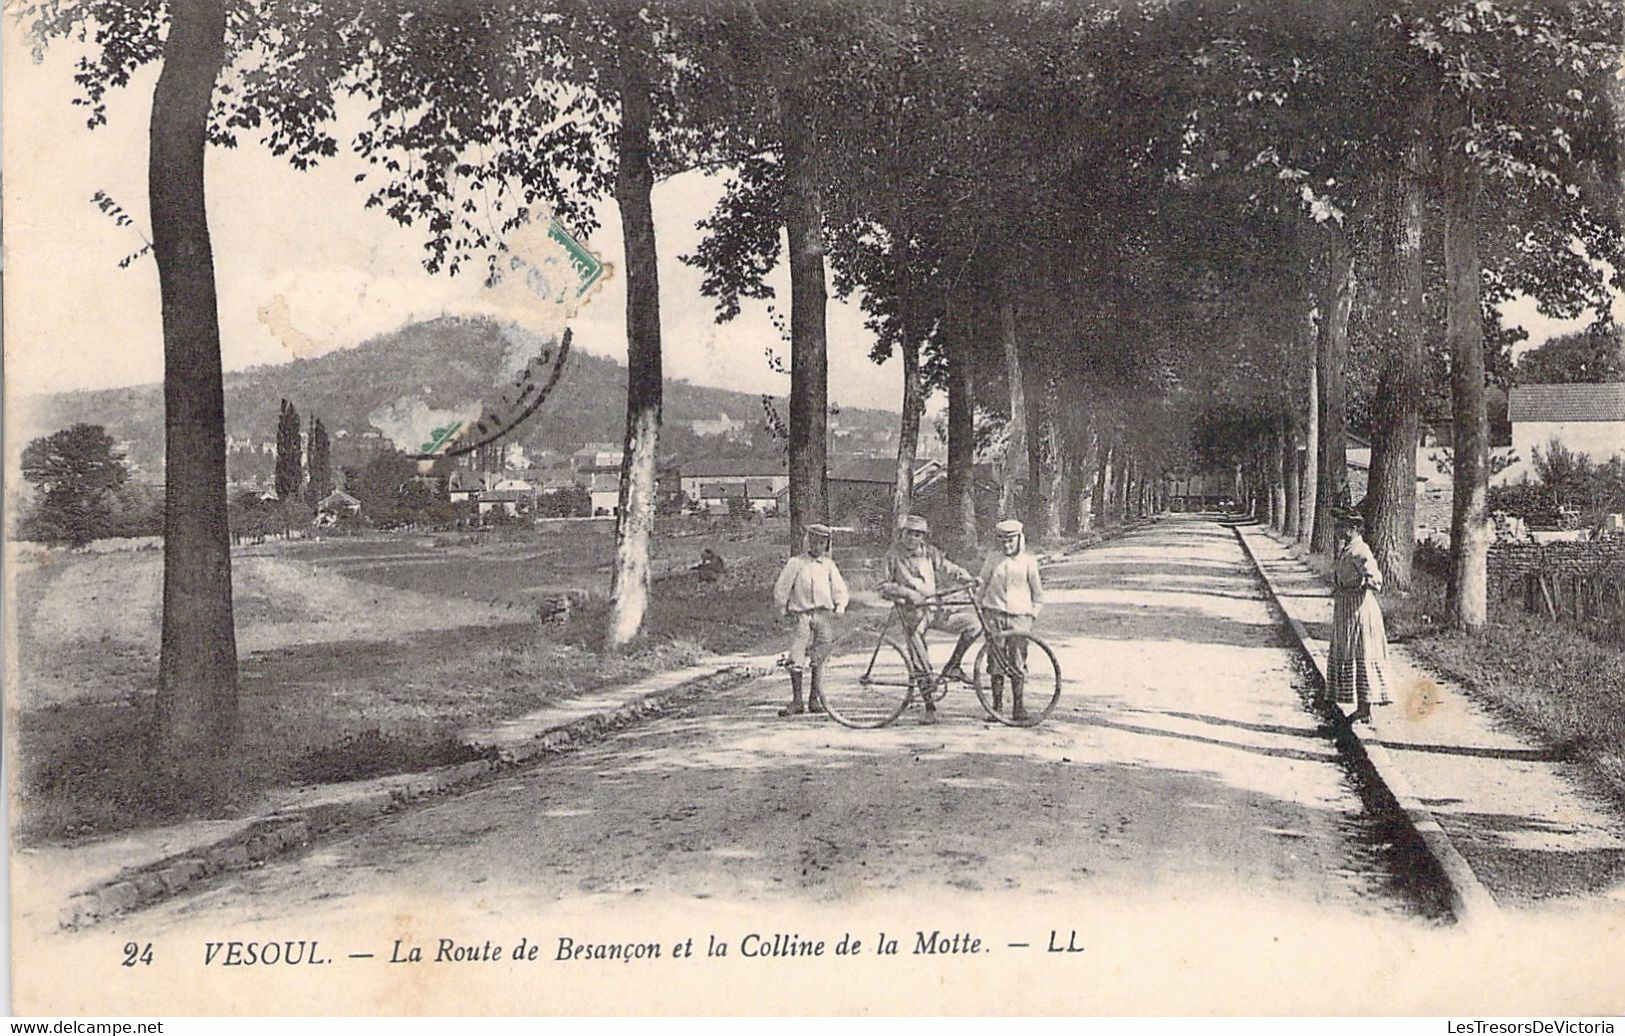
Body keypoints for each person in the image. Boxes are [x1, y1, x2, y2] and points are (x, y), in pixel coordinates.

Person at [876, 514, 982, 725]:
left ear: (923, 537)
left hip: (933, 609)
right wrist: (907, 593)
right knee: (920, 660)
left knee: (974, 625)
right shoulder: (893, 555)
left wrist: (967, 577)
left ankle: (953, 665)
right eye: (910, 533)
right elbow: (882, 587)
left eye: (918, 535)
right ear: (902, 533)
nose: (913, 539)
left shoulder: (928, 552)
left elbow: (948, 567)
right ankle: (929, 708)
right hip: (913, 616)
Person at [772, 523, 849, 717]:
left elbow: (839, 587)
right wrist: (782, 606)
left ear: (827, 545)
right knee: (797, 652)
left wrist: (840, 605)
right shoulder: (796, 563)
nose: (818, 546)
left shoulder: (828, 565)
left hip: (823, 614)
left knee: (821, 654)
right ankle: (797, 701)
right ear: (808, 542)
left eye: (822, 543)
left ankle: (815, 698)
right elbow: (782, 586)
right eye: (814, 542)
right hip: (802, 614)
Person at [977, 519, 1045, 723]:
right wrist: (981, 610)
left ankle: (1018, 707)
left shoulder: (1028, 562)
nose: (1007, 546)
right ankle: (996, 707)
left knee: (1017, 661)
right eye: (1003, 542)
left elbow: (1038, 595)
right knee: (995, 662)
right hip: (994, 615)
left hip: (1019, 619)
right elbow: (981, 585)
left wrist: (1031, 615)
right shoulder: (992, 559)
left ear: (1019, 540)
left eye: (1011, 541)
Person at [1328, 508, 1391, 722]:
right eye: (1337, 525)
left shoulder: (1360, 550)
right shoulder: (1348, 549)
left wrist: (1357, 587)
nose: (1337, 530)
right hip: (1346, 610)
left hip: (1359, 611)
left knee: (1361, 652)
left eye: (1341, 526)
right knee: (1350, 652)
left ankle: (1365, 708)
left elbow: (1376, 580)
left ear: (1353, 528)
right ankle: (1360, 708)